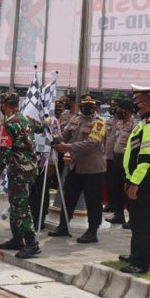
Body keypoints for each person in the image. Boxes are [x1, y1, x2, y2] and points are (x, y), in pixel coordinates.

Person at [119, 87, 150, 274]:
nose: (135, 105)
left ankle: (141, 261)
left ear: (145, 103)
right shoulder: (145, 122)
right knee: (137, 219)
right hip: (138, 178)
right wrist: (129, 179)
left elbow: (147, 159)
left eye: (137, 102)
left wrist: (135, 183)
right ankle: (137, 252)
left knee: (144, 220)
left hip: (145, 179)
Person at [50, 94, 107, 243]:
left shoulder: (99, 123)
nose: (86, 108)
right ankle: (63, 226)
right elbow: (64, 136)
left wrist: (66, 147)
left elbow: (92, 143)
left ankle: (92, 231)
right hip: (75, 166)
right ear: (80, 106)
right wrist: (52, 136)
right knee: (68, 197)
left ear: (94, 107)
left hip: (93, 169)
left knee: (93, 201)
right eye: (84, 105)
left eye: (90, 106)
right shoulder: (75, 119)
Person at [0, 92, 40, 258]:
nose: (1, 107)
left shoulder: (10, 124)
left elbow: (4, 151)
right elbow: (41, 126)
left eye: (2, 104)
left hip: (20, 171)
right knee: (15, 203)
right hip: (28, 169)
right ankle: (17, 239)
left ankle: (31, 243)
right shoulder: (26, 119)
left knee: (20, 207)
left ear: (5, 104)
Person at [105, 99, 135, 225]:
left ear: (127, 111)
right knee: (116, 187)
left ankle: (132, 218)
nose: (117, 111)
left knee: (127, 189)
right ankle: (119, 215)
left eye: (120, 109)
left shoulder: (134, 124)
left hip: (126, 161)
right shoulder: (119, 123)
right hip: (116, 158)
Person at [104, 98, 118, 213]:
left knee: (116, 183)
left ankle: (116, 204)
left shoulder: (129, 122)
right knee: (108, 182)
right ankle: (110, 202)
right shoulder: (108, 121)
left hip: (118, 158)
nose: (113, 108)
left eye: (115, 106)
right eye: (112, 106)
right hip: (107, 156)